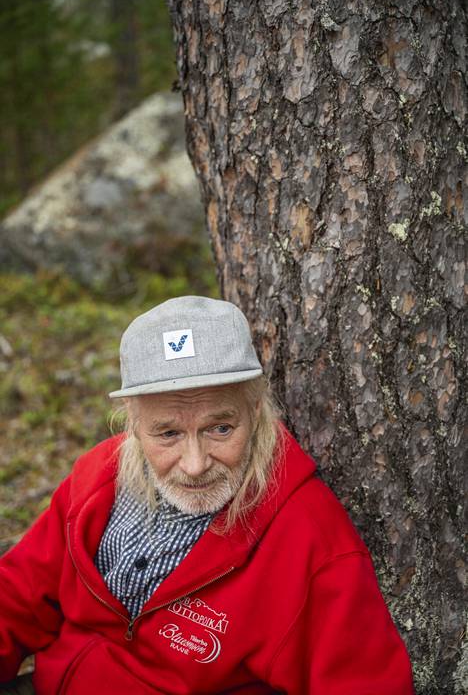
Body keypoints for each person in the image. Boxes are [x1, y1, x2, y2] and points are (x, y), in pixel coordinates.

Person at [0, 296, 414, 694]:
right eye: (168, 433)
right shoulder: (97, 478)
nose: (195, 464)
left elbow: (363, 683)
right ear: (134, 422)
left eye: (220, 429)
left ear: (255, 412)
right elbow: (17, 596)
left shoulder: (310, 536)